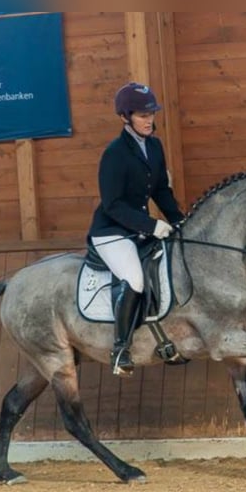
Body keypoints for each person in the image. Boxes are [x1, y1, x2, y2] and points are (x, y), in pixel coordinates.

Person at [88, 82, 186, 377]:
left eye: (151, 114)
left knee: (167, 269)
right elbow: (113, 204)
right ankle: (120, 350)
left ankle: (165, 340)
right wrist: (151, 225)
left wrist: (179, 220)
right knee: (135, 278)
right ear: (125, 117)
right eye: (142, 115)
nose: (149, 120)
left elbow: (160, 190)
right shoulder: (115, 153)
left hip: (139, 230)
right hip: (111, 232)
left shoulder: (154, 146)